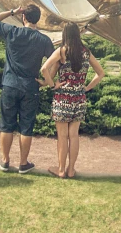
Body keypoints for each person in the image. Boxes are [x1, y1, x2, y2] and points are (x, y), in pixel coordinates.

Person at [0, 4, 54, 174]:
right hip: (31, 87)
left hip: (10, 84)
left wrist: (12, 12)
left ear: (23, 17)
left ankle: (5, 161)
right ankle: (23, 163)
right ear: (38, 19)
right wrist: (47, 81)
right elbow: (55, 61)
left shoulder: (12, 32)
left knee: (6, 124)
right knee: (26, 126)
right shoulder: (44, 40)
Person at [41, 23, 105, 179]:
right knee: (74, 136)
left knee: (62, 136)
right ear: (78, 35)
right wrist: (86, 88)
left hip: (62, 98)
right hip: (79, 99)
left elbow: (44, 70)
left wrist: (52, 85)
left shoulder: (62, 51)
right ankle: (71, 169)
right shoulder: (86, 53)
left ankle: (61, 170)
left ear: (65, 35)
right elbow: (101, 73)